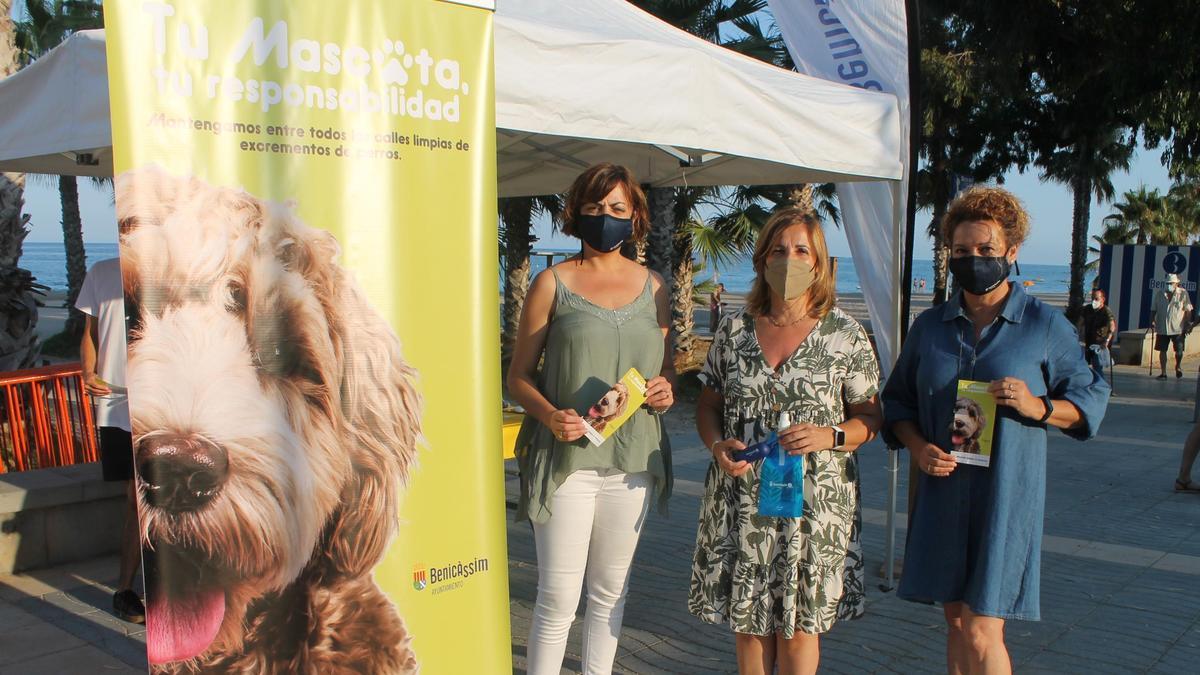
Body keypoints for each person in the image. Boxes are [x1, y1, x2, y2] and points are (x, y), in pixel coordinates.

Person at [881, 186, 1109, 674]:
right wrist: (918, 448)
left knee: (983, 629)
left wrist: (1038, 406)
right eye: (962, 251)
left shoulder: (1043, 326)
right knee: (956, 623)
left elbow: (1089, 401)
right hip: (942, 493)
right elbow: (896, 402)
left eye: (986, 249)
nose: (974, 260)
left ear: (1012, 251)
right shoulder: (930, 327)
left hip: (1005, 498)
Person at [688, 208, 882, 675]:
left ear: (819, 263)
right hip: (743, 498)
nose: (789, 259)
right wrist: (717, 446)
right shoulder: (734, 330)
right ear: (761, 260)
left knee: (799, 630)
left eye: (801, 250)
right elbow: (708, 406)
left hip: (813, 505)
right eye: (778, 250)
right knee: (749, 626)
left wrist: (830, 435)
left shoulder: (845, 334)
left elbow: (871, 418)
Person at [508, 163, 675, 675]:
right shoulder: (551, 283)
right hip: (567, 463)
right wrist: (549, 414)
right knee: (557, 599)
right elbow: (517, 377)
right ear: (575, 214)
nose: (606, 217)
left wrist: (665, 389)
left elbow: (664, 369)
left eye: (617, 208)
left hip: (633, 464)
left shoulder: (655, 288)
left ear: (636, 216)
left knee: (609, 595)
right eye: (594, 207)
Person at [77, 257, 143, 624]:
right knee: (135, 499)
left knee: (147, 498)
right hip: (117, 404)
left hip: (167, 403)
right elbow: (90, 332)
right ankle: (125, 590)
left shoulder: (176, 266)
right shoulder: (101, 273)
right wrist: (88, 371)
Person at [1150, 273, 1193, 379]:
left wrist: (1187, 323)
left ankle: (1178, 366)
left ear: (1176, 284)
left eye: (1171, 283)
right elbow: (1153, 309)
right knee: (1162, 350)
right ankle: (1163, 373)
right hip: (1162, 328)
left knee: (1179, 351)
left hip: (1177, 328)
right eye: (1168, 283)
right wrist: (1152, 320)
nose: (1169, 285)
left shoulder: (1183, 293)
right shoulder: (1160, 294)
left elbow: (1188, 310)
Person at [1078, 288, 1116, 380]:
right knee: (1082, 366)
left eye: (1096, 299)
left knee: (1097, 367)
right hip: (1088, 343)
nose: (1094, 301)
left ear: (1103, 299)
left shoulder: (1106, 311)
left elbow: (1112, 326)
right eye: (1092, 298)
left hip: (1100, 344)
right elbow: (1080, 323)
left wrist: (1107, 340)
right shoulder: (1087, 309)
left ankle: (1101, 385)